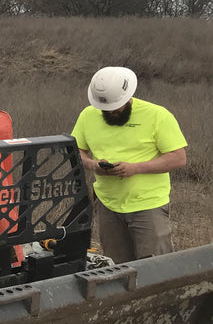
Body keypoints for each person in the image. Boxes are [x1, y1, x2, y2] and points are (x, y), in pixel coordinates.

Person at [71, 66, 187, 263]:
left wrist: (135, 168)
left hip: (148, 206)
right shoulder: (88, 115)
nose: (111, 112)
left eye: (116, 108)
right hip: (108, 205)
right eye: (106, 109)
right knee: (116, 266)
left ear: (127, 97)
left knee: (155, 267)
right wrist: (93, 165)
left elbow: (178, 158)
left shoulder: (157, 115)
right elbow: (75, 151)